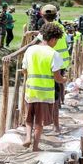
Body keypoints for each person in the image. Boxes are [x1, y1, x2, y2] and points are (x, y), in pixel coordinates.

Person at [22, 22, 67, 151]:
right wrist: (64, 80)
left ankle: (27, 138)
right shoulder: (54, 54)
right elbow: (57, 77)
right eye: (57, 40)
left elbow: (24, 70)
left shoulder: (30, 50)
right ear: (53, 39)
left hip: (31, 90)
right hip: (45, 94)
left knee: (29, 117)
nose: (56, 43)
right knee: (39, 122)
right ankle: (35, 146)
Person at [38, 5, 70, 129]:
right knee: (58, 87)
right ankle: (56, 118)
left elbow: (34, 42)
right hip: (61, 62)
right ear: (56, 15)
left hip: (50, 63)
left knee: (52, 94)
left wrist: (14, 54)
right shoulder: (60, 26)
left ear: (41, 15)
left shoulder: (45, 29)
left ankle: (51, 121)